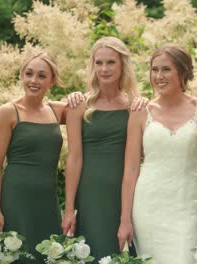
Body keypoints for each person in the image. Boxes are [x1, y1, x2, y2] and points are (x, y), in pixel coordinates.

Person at [117, 45, 197, 264]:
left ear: (183, 72)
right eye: (154, 69)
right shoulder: (141, 111)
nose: (158, 76)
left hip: (185, 206)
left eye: (166, 69)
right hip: (147, 207)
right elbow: (130, 169)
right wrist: (125, 220)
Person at [61, 36, 146, 262]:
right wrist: (69, 208)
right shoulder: (80, 105)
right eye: (99, 63)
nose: (104, 69)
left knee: (125, 250)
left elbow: (135, 160)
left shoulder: (135, 106)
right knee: (94, 248)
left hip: (127, 190)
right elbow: (74, 158)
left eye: (111, 62)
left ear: (122, 65)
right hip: (91, 194)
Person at [0, 52, 66, 262]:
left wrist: (77, 96)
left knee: (49, 255)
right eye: (29, 74)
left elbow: (92, 107)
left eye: (41, 76)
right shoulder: (8, 112)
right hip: (16, 200)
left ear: (52, 81)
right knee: (19, 256)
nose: (34, 80)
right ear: (22, 76)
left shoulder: (57, 110)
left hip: (48, 201)